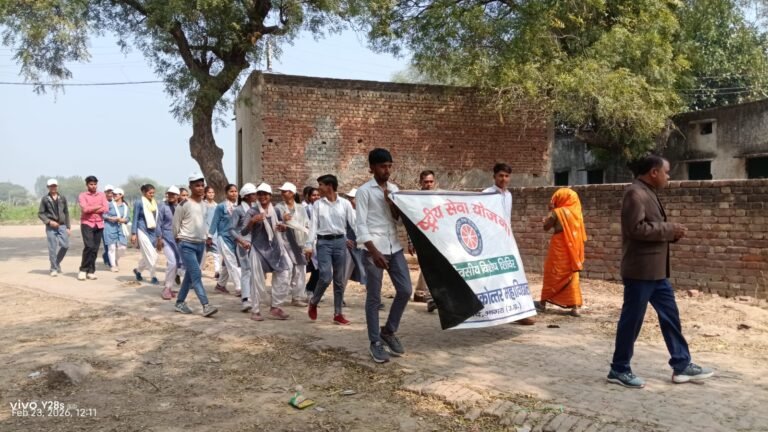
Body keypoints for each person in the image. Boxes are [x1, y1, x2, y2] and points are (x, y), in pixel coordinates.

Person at [607, 155, 714, 388]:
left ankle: (681, 365)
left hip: (657, 272)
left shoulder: (648, 192)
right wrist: (669, 229)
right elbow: (635, 229)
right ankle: (619, 368)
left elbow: (649, 229)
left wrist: (671, 233)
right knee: (632, 321)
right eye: (666, 171)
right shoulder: (634, 193)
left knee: (671, 317)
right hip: (640, 271)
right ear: (654, 172)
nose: (669, 176)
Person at [356, 148, 413, 363]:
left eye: (389, 166)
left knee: (406, 289)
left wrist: (392, 202)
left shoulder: (394, 189)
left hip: (394, 246)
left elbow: (398, 220)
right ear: (372, 168)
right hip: (373, 249)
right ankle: (375, 342)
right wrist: (374, 252)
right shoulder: (364, 192)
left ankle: (388, 331)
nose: (387, 170)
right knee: (374, 297)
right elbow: (360, 225)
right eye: (382, 166)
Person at [483, 163, 536, 326]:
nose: (503, 179)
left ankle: (517, 311)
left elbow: (506, 219)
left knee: (512, 274)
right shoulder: (486, 194)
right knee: (491, 277)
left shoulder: (509, 195)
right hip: (491, 241)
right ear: (494, 177)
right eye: (501, 176)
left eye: (506, 176)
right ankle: (490, 310)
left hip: (506, 240)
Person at [305, 175, 356, 325]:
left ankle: (338, 313)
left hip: (340, 242)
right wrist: (309, 245)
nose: (318, 188)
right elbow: (313, 226)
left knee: (339, 280)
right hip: (323, 243)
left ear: (329, 186)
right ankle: (314, 302)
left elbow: (354, 223)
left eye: (320, 185)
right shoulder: (318, 205)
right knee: (326, 277)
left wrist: (365, 240)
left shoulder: (345, 204)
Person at [243, 183, 291, 320]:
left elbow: (281, 226)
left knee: (284, 275)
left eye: (265, 194)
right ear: (257, 196)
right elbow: (243, 231)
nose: (263, 197)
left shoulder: (275, 211)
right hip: (258, 250)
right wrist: (252, 221)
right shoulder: (252, 212)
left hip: (275, 249)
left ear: (270, 196)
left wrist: (282, 227)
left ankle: (275, 306)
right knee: (257, 281)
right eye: (260, 194)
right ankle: (255, 310)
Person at [173, 172, 218, 317]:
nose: (200, 188)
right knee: (197, 274)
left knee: (190, 275)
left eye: (202, 185)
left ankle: (180, 302)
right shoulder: (183, 204)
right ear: (190, 187)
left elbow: (204, 223)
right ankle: (206, 305)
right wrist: (178, 238)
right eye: (196, 185)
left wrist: (206, 237)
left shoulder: (205, 205)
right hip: (186, 244)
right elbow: (175, 225)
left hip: (200, 244)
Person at [537, 188, 587, 317]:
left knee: (552, 273)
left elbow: (546, 227)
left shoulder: (557, 212)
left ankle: (542, 304)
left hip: (558, 248)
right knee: (572, 276)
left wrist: (548, 216)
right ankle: (575, 307)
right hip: (573, 250)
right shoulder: (577, 213)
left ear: (560, 198)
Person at [231, 183, 263, 320]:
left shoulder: (257, 209)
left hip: (255, 242)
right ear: (247, 196)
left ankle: (253, 296)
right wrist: (241, 241)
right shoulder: (238, 210)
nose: (257, 196)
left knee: (254, 271)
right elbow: (231, 229)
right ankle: (245, 299)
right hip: (243, 243)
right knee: (246, 270)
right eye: (254, 194)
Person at [275, 182, 310, 307]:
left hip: (299, 242)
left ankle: (298, 297)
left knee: (300, 269)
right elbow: (275, 223)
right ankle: (280, 297)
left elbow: (306, 225)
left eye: (286, 191)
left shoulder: (300, 208)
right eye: (282, 191)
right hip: (285, 242)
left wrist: (308, 243)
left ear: (292, 193)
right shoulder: (278, 208)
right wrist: (283, 220)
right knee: (287, 269)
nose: (283, 193)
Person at [409, 170, 437, 312]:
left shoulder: (438, 198)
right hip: (421, 238)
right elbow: (411, 221)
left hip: (436, 237)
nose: (429, 184)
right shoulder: (415, 199)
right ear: (421, 182)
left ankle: (424, 293)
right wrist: (410, 241)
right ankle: (429, 296)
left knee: (433, 266)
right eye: (426, 182)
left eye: (431, 181)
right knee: (428, 266)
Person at [208, 184, 242, 296]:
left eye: (235, 191)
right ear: (226, 193)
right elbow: (215, 222)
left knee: (227, 263)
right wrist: (209, 236)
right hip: (223, 237)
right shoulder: (221, 207)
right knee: (232, 262)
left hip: (236, 239)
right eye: (231, 191)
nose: (234, 193)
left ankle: (220, 285)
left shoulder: (239, 206)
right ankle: (239, 288)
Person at [77, 175, 109, 281]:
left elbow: (106, 208)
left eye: (95, 184)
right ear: (87, 185)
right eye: (91, 184)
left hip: (99, 224)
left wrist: (92, 209)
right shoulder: (82, 195)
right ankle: (83, 270)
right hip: (87, 223)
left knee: (95, 249)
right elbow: (85, 210)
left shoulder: (102, 195)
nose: (93, 186)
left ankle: (91, 271)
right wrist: (98, 207)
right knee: (89, 246)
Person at [38, 178, 70, 277]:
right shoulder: (45, 199)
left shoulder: (62, 198)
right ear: (48, 187)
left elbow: (66, 212)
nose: (53, 187)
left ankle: (56, 263)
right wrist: (49, 222)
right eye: (51, 186)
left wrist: (68, 226)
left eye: (55, 186)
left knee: (65, 246)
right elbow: (41, 213)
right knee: (52, 248)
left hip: (62, 225)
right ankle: (53, 268)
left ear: (57, 186)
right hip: (51, 227)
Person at [156, 186, 183, 300]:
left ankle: (170, 287)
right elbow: (158, 223)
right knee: (172, 262)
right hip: (166, 238)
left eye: (173, 194)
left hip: (179, 239)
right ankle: (166, 288)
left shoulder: (181, 207)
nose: (171, 196)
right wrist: (159, 238)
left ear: (178, 196)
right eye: (169, 194)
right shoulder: (163, 206)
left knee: (177, 263)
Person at [131, 184, 160, 285]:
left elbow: (157, 220)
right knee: (152, 255)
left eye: (153, 193)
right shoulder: (139, 203)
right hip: (142, 229)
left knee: (150, 254)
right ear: (144, 192)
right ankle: (154, 276)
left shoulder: (155, 203)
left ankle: (138, 271)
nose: (152, 195)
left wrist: (159, 234)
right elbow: (134, 218)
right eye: (150, 193)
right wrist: (133, 233)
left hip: (152, 231)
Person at [341, 188, 367, 298]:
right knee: (345, 273)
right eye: (350, 198)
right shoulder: (344, 212)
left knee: (369, 272)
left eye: (353, 198)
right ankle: (339, 296)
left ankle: (374, 298)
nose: (351, 200)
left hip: (363, 246)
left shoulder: (365, 212)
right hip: (349, 245)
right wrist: (345, 239)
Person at [102, 187, 130, 272]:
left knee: (122, 247)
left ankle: (115, 259)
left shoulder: (125, 206)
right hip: (109, 227)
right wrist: (110, 218)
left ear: (121, 195)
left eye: (115, 194)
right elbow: (103, 215)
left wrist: (123, 220)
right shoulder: (109, 204)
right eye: (113, 194)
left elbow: (128, 218)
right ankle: (113, 265)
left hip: (121, 228)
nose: (113, 195)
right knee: (112, 247)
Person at [303, 186, 321, 296]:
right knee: (315, 266)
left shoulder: (323, 208)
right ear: (309, 197)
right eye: (314, 195)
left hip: (322, 240)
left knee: (320, 267)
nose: (316, 197)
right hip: (311, 241)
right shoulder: (306, 210)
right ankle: (309, 289)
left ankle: (311, 288)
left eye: (318, 195)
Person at [202, 185, 222, 279]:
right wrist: (206, 234)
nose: (211, 194)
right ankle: (198, 271)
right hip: (203, 233)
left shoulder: (217, 206)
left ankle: (217, 271)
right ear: (205, 194)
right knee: (202, 254)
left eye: (212, 192)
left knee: (216, 254)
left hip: (214, 233)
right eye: (209, 192)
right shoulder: (202, 205)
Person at [101, 184, 115, 267]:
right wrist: (110, 218)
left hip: (114, 225)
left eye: (111, 192)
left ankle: (106, 256)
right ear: (105, 192)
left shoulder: (115, 202)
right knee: (107, 243)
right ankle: (110, 261)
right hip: (104, 225)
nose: (110, 194)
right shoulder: (102, 202)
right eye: (108, 192)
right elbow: (101, 214)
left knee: (114, 244)